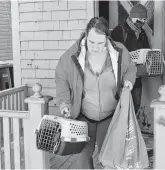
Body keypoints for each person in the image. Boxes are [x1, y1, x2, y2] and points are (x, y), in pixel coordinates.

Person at [55, 17, 136, 169]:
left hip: (111, 116)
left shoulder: (119, 51)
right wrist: (64, 102)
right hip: (83, 116)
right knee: (84, 158)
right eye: (91, 42)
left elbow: (130, 69)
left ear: (107, 38)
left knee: (109, 159)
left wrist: (129, 81)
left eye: (100, 43)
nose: (95, 47)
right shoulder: (73, 54)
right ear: (86, 35)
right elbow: (61, 78)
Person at [110, 3, 150, 114]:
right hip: (121, 77)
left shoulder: (142, 33)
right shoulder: (119, 31)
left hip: (137, 77)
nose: (143, 23)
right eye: (141, 19)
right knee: (121, 107)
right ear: (133, 18)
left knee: (136, 105)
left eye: (145, 20)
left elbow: (147, 51)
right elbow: (112, 53)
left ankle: (132, 129)